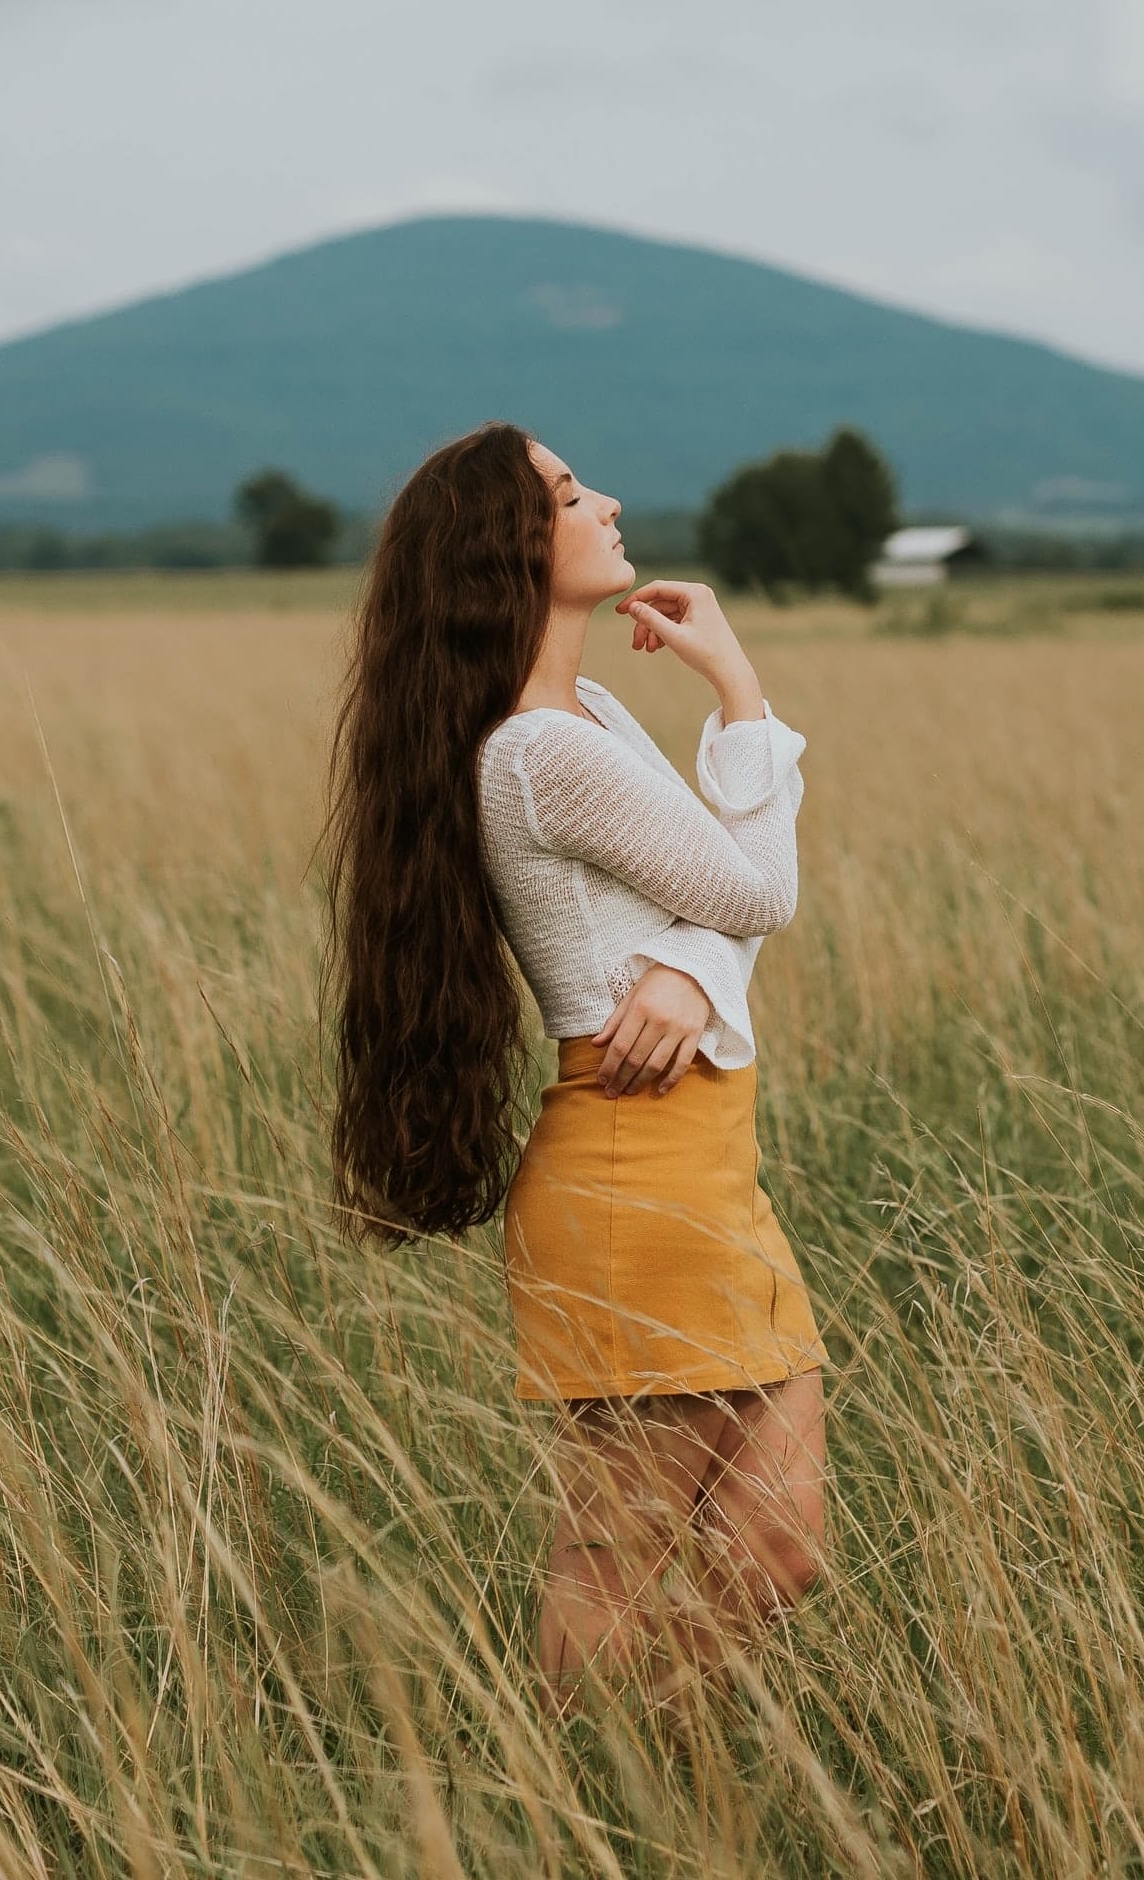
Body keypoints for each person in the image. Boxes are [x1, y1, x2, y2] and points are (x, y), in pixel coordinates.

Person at [323, 420, 829, 1698]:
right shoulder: (542, 755)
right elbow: (757, 890)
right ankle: (590, 1792)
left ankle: (646, 1773)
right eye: (565, 491)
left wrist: (694, 968)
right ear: (509, 544)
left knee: (779, 1547)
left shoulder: (585, 715)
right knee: (616, 1551)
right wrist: (739, 694)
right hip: (631, 1170)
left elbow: (718, 915)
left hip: (709, 1165)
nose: (603, 500)